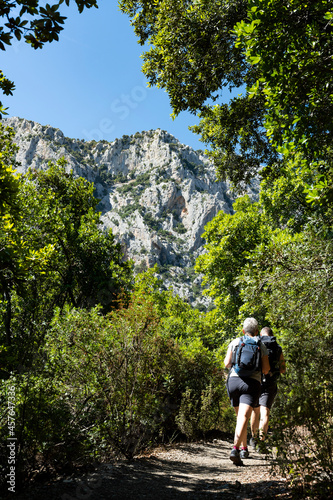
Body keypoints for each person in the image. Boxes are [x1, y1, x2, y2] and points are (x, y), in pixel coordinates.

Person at [224, 318, 270, 466]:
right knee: (244, 417)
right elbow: (265, 369)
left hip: (233, 382)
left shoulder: (235, 342)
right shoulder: (260, 345)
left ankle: (244, 448)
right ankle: (235, 449)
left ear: (243, 331)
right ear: (257, 332)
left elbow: (226, 363)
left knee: (240, 417)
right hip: (251, 384)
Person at [250, 326, 286, 448]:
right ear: (272, 334)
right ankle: (261, 442)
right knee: (265, 412)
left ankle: (254, 439)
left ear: (261, 334)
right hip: (270, 382)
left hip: (256, 380)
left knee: (255, 411)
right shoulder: (277, 347)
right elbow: (283, 369)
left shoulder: (256, 344)